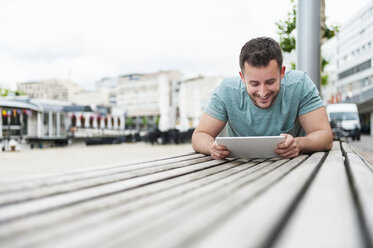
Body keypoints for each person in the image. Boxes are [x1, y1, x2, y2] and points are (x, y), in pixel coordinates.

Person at [192, 37, 333, 160]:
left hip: (293, 165)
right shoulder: (226, 91)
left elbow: (325, 136)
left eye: (270, 82)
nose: (263, 92)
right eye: (254, 84)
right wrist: (212, 147)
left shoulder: (300, 85)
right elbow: (200, 135)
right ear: (242, 77)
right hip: (240, 168)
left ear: (282, 72)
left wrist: (299, 144)